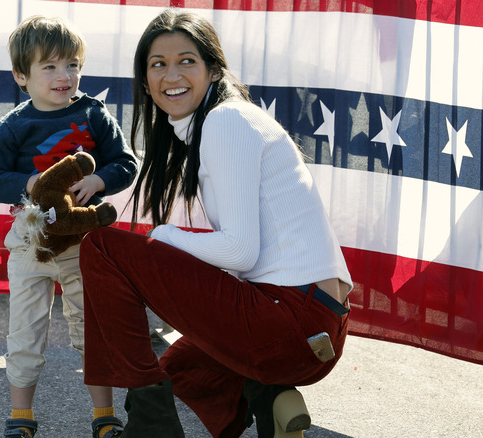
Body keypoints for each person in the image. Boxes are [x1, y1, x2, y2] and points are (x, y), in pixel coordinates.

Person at [79, 9, 353, 438]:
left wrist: (163, 236)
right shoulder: (220, 125)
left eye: (187, 60)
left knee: (101, 248)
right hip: (309, 325)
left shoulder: (227, 120)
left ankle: (152, 430)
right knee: (179, 368)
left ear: (213, 68)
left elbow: (240, 251)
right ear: (146, 81)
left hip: (293, 318)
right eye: (158, 64)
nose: (172, 75)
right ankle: (269, 396)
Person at [0, 15, 138, 438]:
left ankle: (104, 416)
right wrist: (28, 183)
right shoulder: (13, 126)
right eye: (48, 66)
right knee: (26, 332)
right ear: (21, 76)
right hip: (31, 241)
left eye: (72, 64)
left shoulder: (94, 115)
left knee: (91, 327)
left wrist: (100, 179)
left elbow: (126, 163)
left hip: (84, 242)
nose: (63, 76)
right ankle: (21, 417)